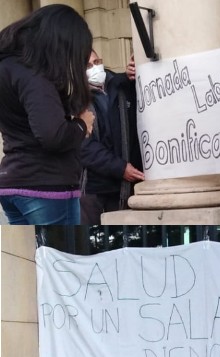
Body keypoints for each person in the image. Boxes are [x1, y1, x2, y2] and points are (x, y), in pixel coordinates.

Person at [0, 4, 95, 224]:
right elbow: (53, 135)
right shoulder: (32, 74)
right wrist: (82, 124)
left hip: (13, 181)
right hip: (45, 185)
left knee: (42, 249)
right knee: (60, 253)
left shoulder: (7, 67)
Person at [80, 52, 145, 225]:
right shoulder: (75, 100)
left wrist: (137, 71)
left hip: (125, 184)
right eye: (88, 66)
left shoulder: (121, 85)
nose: (95, 67)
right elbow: (84, 146)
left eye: (97, 61)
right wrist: (120, 167)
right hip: (94, 187)